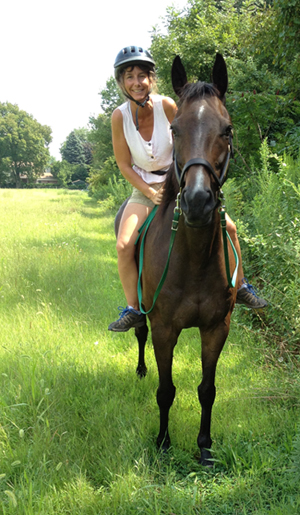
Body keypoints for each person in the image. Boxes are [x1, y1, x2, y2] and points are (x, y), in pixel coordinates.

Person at [108, 46, 267, 332]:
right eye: (129, 76)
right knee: (123, 245)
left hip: (179, 181)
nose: (136, 82)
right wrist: (148, 190)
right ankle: (134, 308)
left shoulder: (168, 105)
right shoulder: (119, 118)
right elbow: (124, 164)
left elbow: (191, 136)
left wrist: (189, 177)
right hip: (143, 186)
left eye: (142, 76)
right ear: (122, 82)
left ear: (151, 79)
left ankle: (241, 285)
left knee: (229, 227)